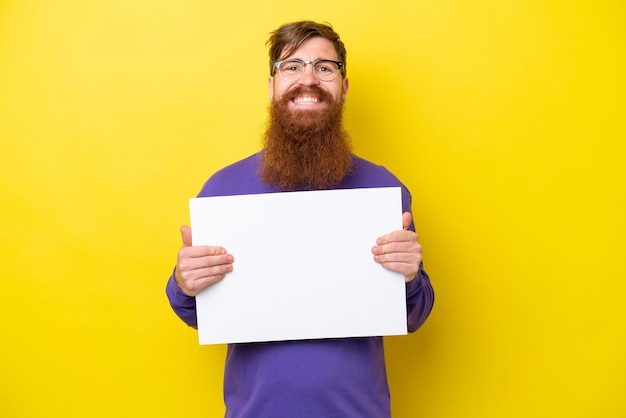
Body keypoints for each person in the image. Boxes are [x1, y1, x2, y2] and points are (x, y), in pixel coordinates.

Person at [166, 20, 434, 418]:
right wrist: (183, 283)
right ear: (271, 84)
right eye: (292, 66)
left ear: (343, 87)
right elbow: (196, 313)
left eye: (324, 67)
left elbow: (415, 314)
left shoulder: (384, 188)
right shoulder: (223, 188)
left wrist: (410, 276)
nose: (308, 79)